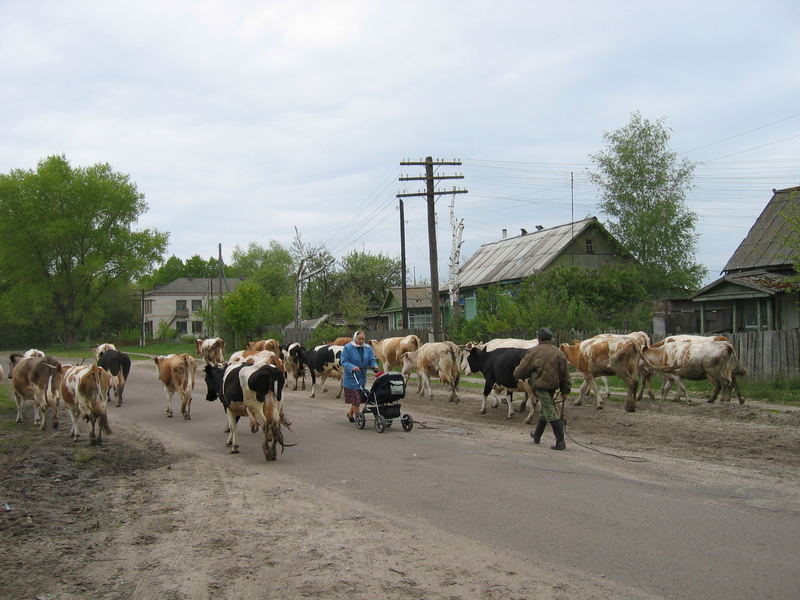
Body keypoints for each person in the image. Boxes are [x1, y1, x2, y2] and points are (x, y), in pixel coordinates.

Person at [512, 327, 571, 450]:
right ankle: (537, 435)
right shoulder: (559, 353)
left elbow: (522, 369)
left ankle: (561, 442)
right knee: (545, 411)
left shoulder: (534, 352)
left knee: (549, 411)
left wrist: (517, 375)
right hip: (553, 387)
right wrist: (565, 391)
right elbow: (565, 374)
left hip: (540, 386)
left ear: (539, 338)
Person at [340, 330, 380, 423]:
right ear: (355, 338)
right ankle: (358, 418)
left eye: (363, 339)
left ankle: (350, 414)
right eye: (359, 338)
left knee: (357, 399)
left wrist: (374, 366)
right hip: (351, 378)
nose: (361, 341)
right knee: (356, 399)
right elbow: (344, 361)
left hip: (361, 378)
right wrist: (352, 367)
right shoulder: (348, 348)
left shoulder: (367, 348)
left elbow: (372, 359)